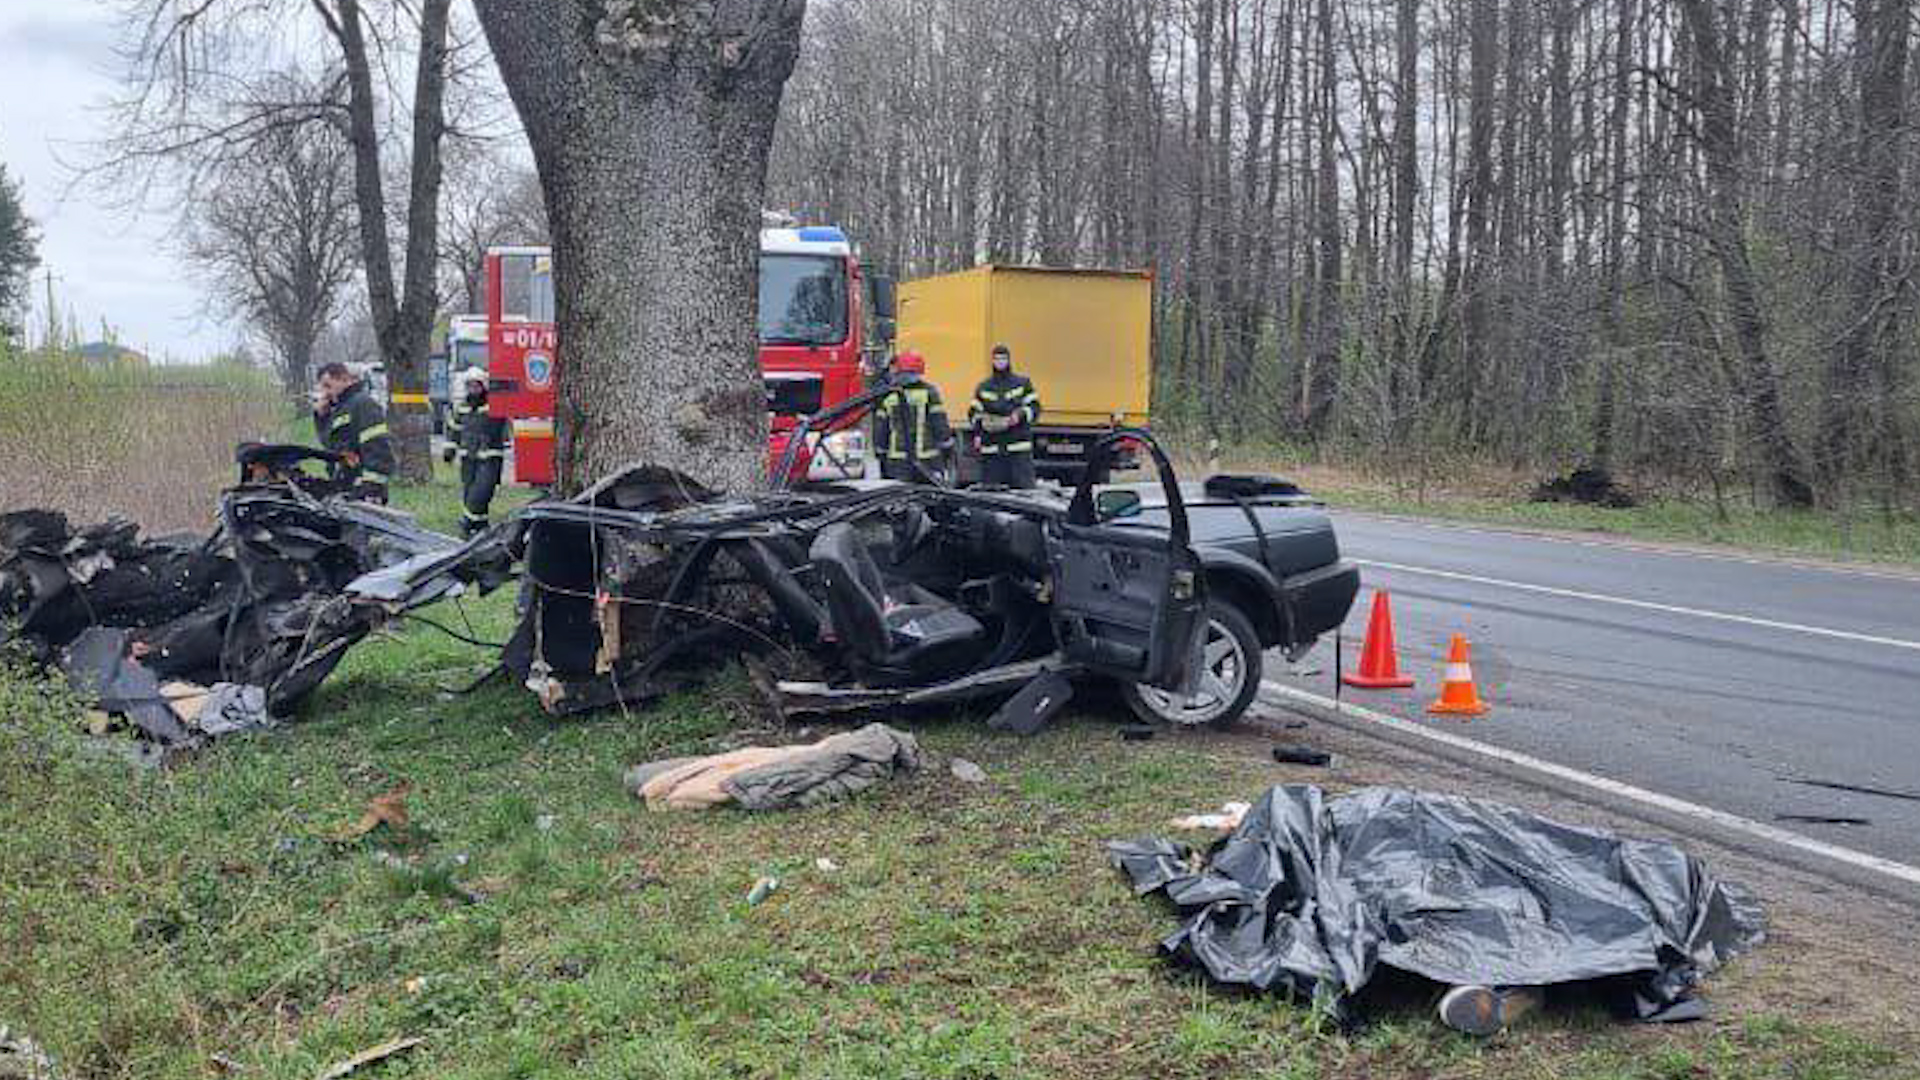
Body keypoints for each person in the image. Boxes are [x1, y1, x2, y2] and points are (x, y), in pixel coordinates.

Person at [312, 361, 396, 502]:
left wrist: (370, 487)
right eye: (322, 387)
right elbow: (329, 445)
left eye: (328, 386)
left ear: (345, 380)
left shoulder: (363, 403)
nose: (325, 393)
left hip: (365, 490)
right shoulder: (340, 408)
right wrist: (321, 416)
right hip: (345, 487)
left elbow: (378, 446)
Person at [441, 366, 509, 536]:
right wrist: (450, 450)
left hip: (490, 457)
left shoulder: (494, 405)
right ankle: (480, 526)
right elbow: (454, 429)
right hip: (468, 457)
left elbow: (502, 424)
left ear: (483, 386)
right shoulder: (462, 407)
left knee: (482, 491)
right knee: (469, 491)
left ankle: (466, 522)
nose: (473, 389)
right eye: (470, 386)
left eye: (476, 386)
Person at [967, 343, 1042, 489]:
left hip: (1018, 453)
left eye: (1003, 358)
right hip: (992, 453)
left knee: (1023, 497)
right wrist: (980, 427)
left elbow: (1035, 407)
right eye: (996, 359)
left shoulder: (1022, 384)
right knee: (993, 499)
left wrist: (1019, 415)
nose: (1000, 362)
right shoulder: (984, 387)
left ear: (1009, 360)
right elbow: (973, 413)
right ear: (992, 361)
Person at [873, 350, 953, 483]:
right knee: (928, 499)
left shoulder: (888, 395)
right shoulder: (929, 392)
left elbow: (880, 429)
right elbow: (939, 424)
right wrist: (947, 448)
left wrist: (880, 452)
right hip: (927, 460)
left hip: (897, 462)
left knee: (900, 500)